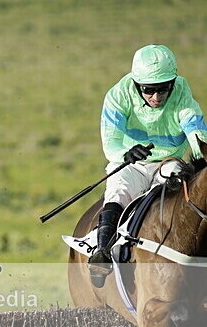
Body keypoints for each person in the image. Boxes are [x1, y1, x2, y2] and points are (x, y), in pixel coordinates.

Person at [88, 44, 207, 287]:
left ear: (173, 83)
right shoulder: (117, 95)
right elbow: (110, 145)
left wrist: (200, 152)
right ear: (136, 84)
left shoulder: (182, 92)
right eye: (148, 90)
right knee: (118, 190)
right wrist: (127, 153)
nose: (156, 97)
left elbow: (195, 130)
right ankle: (101, 253)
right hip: (131, 164)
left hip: (168, 162)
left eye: (163, 89)